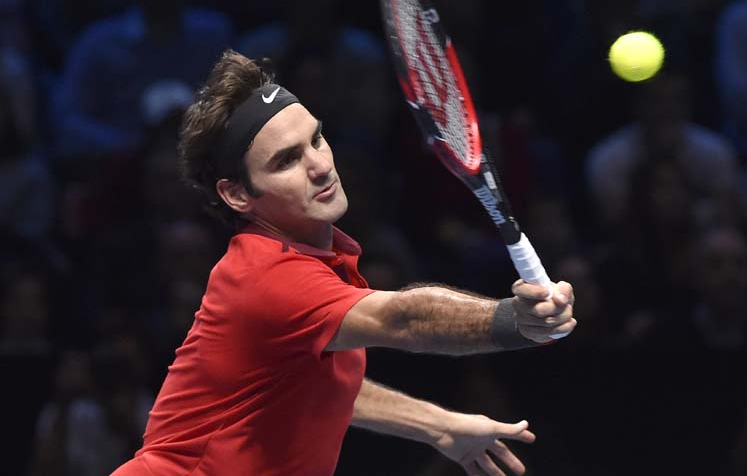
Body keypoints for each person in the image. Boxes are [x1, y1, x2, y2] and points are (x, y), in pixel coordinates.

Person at [110, 50, 577, 476]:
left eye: (317, 138)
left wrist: (438, 426)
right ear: (236, 194)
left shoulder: (320, 264)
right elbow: (404, 318)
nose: (319, 165)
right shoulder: (265, 278)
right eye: (287, 160)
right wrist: (513, 320)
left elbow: (325, 388)